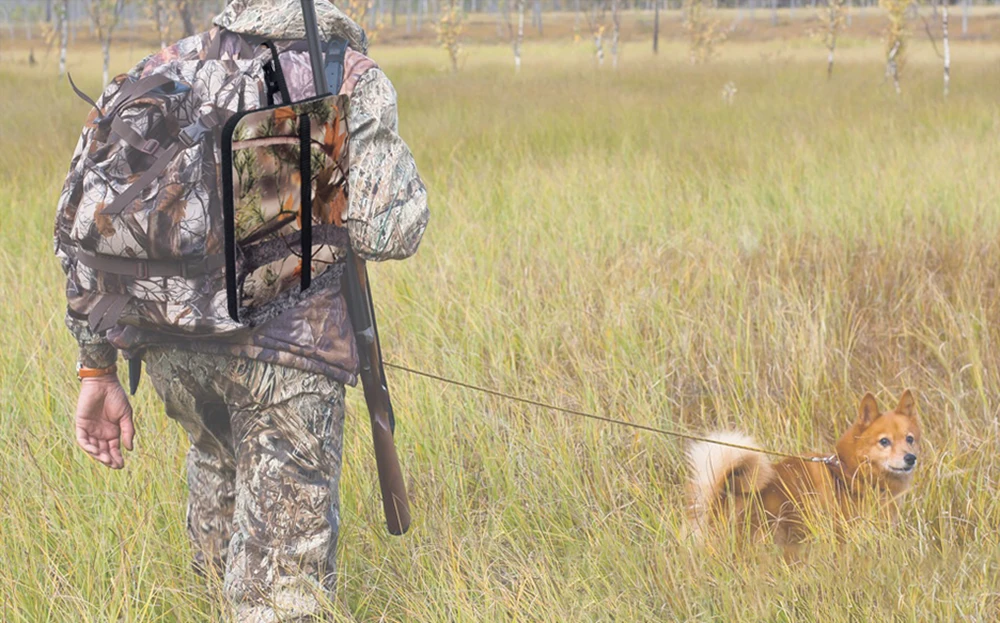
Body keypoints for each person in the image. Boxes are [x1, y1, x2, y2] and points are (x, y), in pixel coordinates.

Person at [59, 1, 429, 620]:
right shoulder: (344, 72)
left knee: (216, 503)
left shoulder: (171, 63)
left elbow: (83, 226)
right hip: (287, 361)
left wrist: (94, 369)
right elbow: (391, 228)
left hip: (172, 349)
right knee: (281, 595)